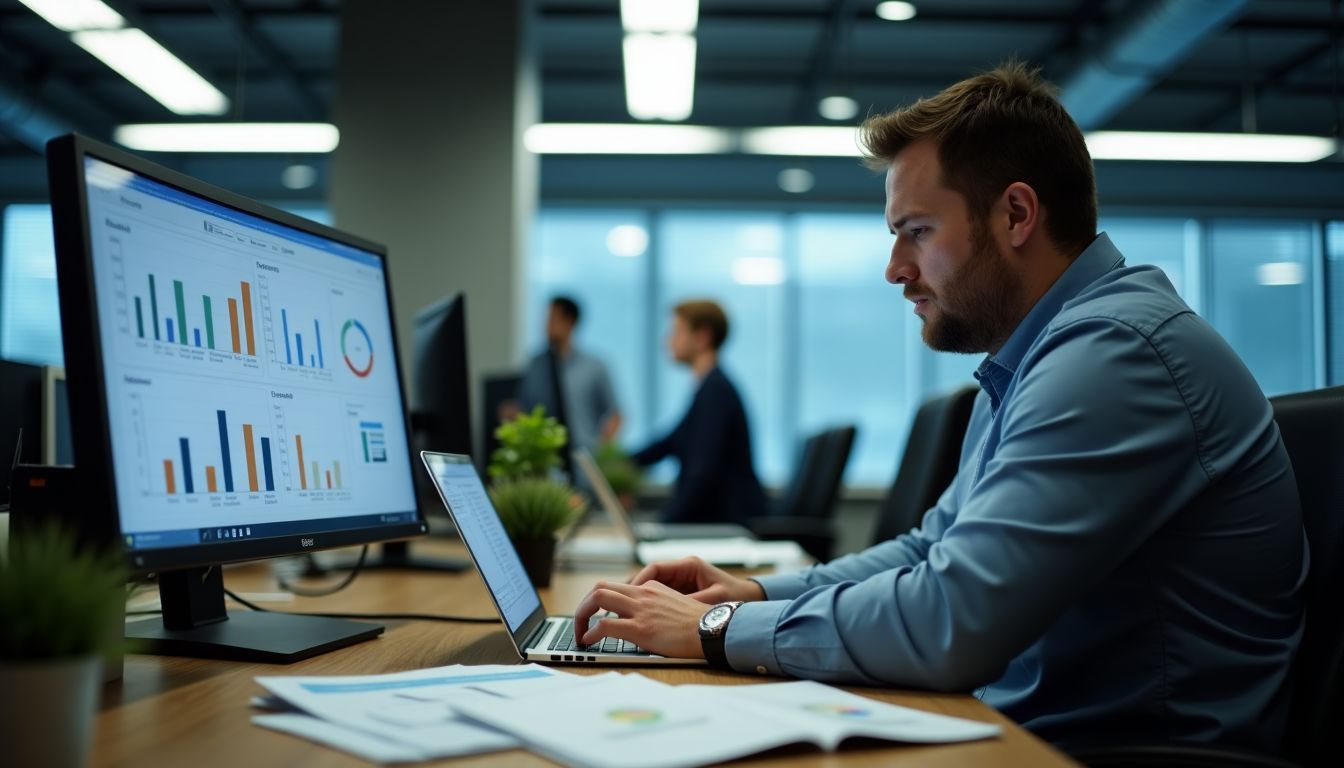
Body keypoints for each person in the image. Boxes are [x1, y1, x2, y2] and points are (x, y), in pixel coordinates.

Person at [572, 62, 1307, 752]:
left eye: (917, 232)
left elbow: (952, 617)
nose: (896, 270)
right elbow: (931, 549)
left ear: (1015, 214)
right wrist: (753, 592)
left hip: (1117, 753)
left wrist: (719, 626)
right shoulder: (1033, 359)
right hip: (1028, 730)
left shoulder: (1115, 355)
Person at [632, 300, 767, 526]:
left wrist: (664, 523)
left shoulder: (716, 392)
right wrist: (614, 465)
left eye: (676, 332)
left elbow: (702, 473)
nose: (667, 340)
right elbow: (668, 443)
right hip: (717, 521)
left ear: (702, 337)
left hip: (728, 525)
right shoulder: (707, 389)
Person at [514, 296, 621, 455]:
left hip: (584, 455)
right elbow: (523, 409)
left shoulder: (594, 367)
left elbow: (615, 415)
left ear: (570, 322)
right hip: (545, 457)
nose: (546, 326)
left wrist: (602, 450)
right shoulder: (535, 366)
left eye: (552, 319)